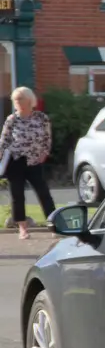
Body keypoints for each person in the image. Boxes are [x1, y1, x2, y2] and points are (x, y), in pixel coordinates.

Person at [2, 87, 57, 240]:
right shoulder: (12, 119)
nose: (17, 102)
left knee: (44, 193)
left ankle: (55, 226)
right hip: (15, 161)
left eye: (20, 99)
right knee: (17, 195)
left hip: (34, 161)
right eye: (15, 99)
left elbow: (47, 137)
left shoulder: (41, 118)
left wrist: (44, 153)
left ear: (29, 100)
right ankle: (22, 229)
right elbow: (4, 140)